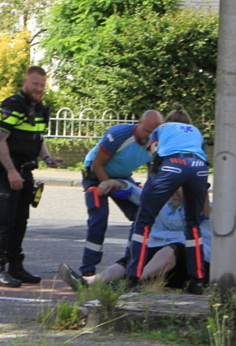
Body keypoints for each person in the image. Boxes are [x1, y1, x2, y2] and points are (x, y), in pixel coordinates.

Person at [0, 66, 63, 288]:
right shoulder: (13, 105)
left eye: (42, 85)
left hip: (25, 170)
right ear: (25, 82)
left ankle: (15, 267)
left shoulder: (38, 108)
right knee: (4, 221)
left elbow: (37, 138)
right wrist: (11, 170)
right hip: (7, 170)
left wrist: (47, 157)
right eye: (35, 84)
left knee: (20, 221)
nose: (39, 89)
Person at [123, 105, 209, 294]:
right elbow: (202, 155)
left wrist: (152, 184)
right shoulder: (196, 132)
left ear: (167, 121)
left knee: (143, 222)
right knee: (193, 225)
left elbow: (155, 154)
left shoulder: (160, 129)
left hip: (173, 165)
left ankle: (133, 279)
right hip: (198, 167)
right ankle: (197, 281)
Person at [60, 187, 207, 291]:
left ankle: (130, 283)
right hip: (167, 267)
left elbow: (197, 209)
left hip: (198, 268)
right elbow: (140, 194)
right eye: (173, 188)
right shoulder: (168, 207)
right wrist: (118, 184)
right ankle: (88, 281)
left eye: (180, 188)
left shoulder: (205, 210)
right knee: (138, 255)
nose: (174, 192)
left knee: (174, 249)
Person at [80, 110, 162, 277]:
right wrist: (107, 184)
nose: (149, 136)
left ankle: (131, 263)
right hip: (96, 175)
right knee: (99, 218)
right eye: (146, 131)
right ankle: (88, 270)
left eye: (153, 132)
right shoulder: (119, 135)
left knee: (142, 215)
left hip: (122, 176)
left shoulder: (156, 143)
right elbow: (98, 164)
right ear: (138, 123)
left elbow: (152, 175)